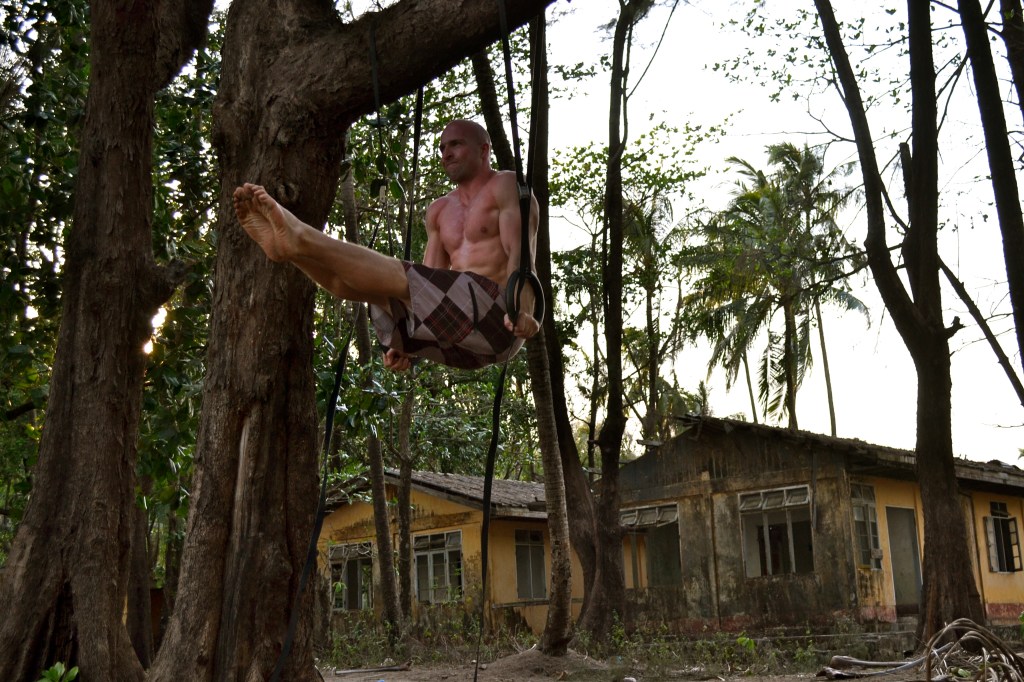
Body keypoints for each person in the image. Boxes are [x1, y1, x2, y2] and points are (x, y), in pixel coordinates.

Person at [233, 119, 540, 371]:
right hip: (462, 345)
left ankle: (302, 237)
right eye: (442, 148)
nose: (446, 153)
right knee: (370, 290)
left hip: (500, 319)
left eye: (456, 144)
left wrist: (524, 310)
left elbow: (521, 255)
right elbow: (429, 278)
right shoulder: (439, 211)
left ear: (484, 149)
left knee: (398, 275)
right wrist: (408, 344)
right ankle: (292, 253)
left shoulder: (505, 185)